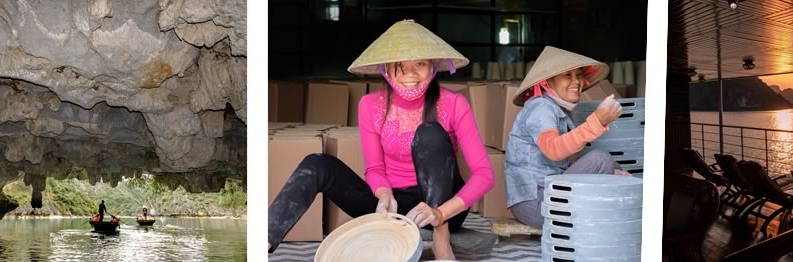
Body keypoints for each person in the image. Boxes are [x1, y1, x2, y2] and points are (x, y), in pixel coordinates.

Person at [267, 20, 497, 259]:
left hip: (441, 209)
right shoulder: (369, 105)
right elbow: (375, 168)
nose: (410, 73)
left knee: (429, 132)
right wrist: (384, 195)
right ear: (386, 69)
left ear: (433, 66)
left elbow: (484, 174)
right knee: (317, 164)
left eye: (419, 63)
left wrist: (440, 214)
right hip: (393, 207)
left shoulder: (453, 103)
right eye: (399, 65)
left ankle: (441, 240)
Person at [503, 46, 628, 227]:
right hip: (535, 202)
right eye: (567, 75)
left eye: (578, 75)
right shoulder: (541, 107)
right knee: (601, 159)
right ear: (547, 82)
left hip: (548, 195)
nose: (576, 81)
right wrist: (597, 121)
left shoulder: (559, 109)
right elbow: (553, 150)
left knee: (610, 166)